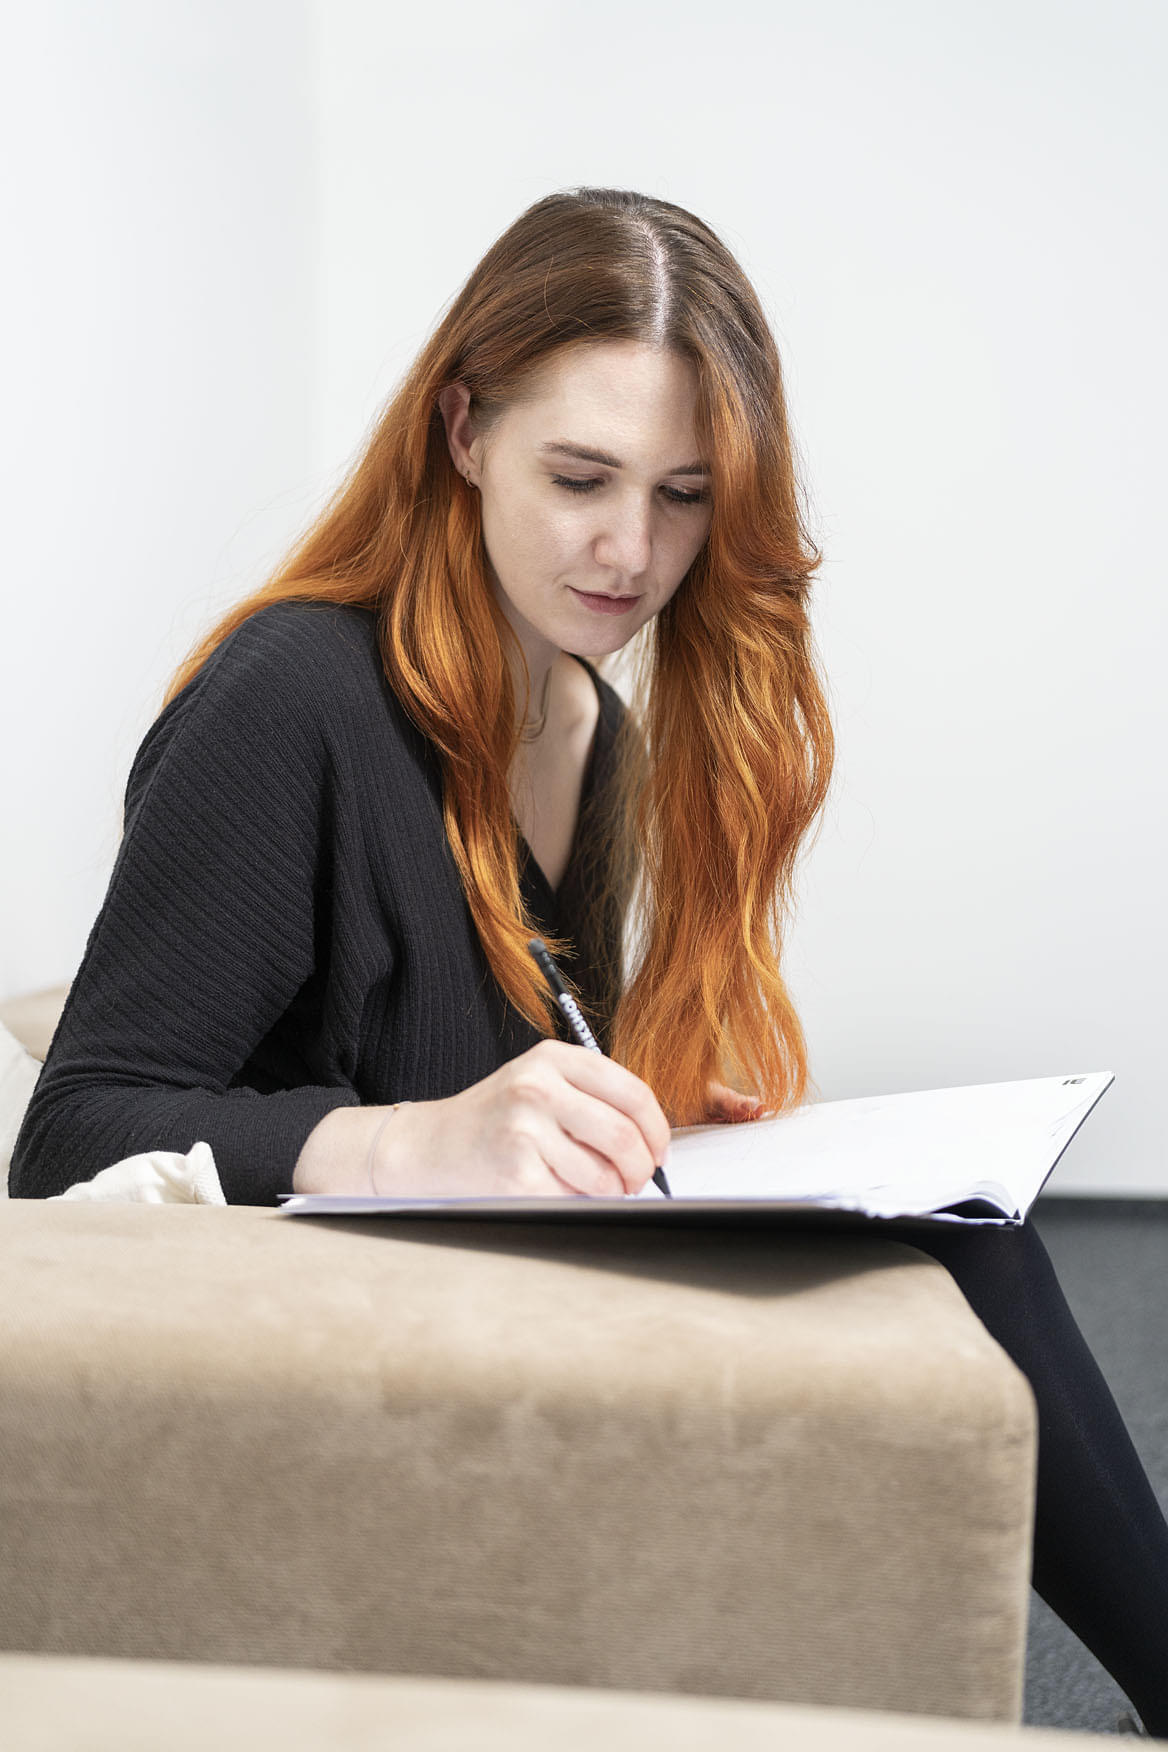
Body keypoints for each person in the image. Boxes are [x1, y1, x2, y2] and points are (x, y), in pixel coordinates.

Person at [9, 187, 1168, 1734]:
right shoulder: (292, 695)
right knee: (969, 1261)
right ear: (461, 431)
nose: (632, 553)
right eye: (580, 478)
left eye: (685, 495)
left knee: (950, 1230)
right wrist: (415, 1138)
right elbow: (69, 1141)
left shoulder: (588, 726)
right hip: (308, 1321)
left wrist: (656, 1120)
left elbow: (528, 1057)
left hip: (460, 1270)